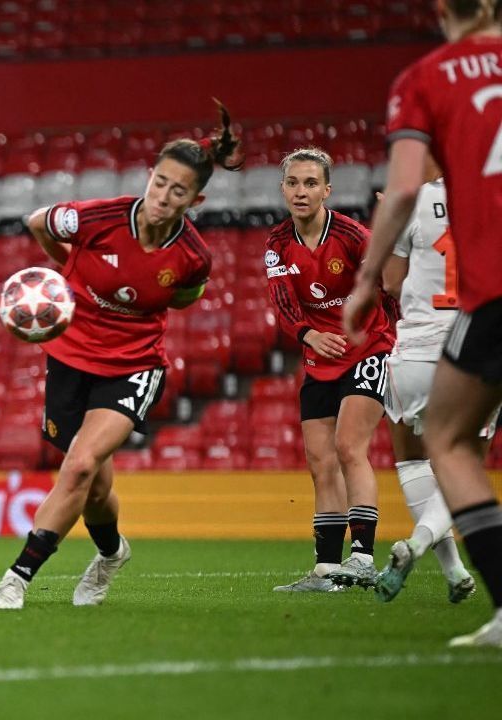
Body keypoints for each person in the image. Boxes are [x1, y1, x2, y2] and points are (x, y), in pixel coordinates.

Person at [0, 102, 242, 610]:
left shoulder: (193, 257)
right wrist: (69, 273)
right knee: (95, 487)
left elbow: (182, 300)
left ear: (197, 199)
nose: (164, 197)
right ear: (149, 175)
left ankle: (17, 576)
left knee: (80, 466)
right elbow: (39, 222)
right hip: (69, 357)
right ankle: (111, 553)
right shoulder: (98, 217)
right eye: (161, 183)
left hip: (132, 367)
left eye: (179, 191)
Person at [344, 0, 502, 647]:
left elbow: (404, 187)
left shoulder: (425, 78)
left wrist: (364, 278)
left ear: (443, 8)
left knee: (449, 440)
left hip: (481, 304)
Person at [264, 148, 395, 593]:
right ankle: (326, 569)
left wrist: (394, 341)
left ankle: (362, 559)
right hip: (319, 359)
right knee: (320, 463)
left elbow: (387, 290)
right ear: (283, 189)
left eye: (310, 183)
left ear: (327, 190)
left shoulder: (354, 236)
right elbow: (283, 302)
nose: (301, 191)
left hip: (368, 351)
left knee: (348, 447)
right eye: (294, 183)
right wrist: (307, 336)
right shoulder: (277, 243)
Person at [374, 158, 494, 604]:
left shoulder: (414, 200)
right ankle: (419, 543)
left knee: (412, 461)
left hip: (415, 353)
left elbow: (390, 282)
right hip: (472, 352)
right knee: (464, 467)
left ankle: (455, 572)